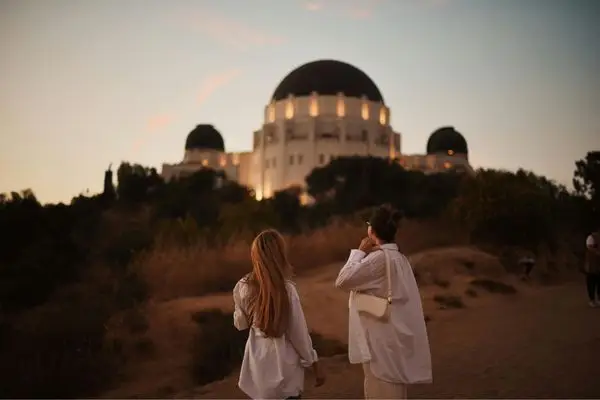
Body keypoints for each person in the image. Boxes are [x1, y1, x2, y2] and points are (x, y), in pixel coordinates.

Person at [335, 204, 432, 399]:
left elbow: (342, 281)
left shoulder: (378, 260)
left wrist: (359, 252)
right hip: (396, 336)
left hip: (382, 342)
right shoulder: (400, 258)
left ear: (371, 230)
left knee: (382, 388)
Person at [233, 229, 325, 399]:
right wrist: (314, 363)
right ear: (280, 255)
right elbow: (299, 335)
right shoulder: (287, 290)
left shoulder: (243, 287)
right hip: (286, 373)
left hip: (259, 369)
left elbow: (241, 325)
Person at [584, 230, 600, 307]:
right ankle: (592, 300)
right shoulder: (591, 237)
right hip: (592, 265)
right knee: (591, 283)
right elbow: (590, 247)